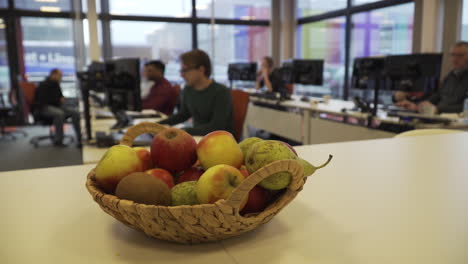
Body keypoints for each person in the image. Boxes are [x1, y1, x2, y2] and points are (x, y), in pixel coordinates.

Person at [159, 49, 234, 136]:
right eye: (181, 71)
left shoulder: (221, 92)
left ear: (201, 69)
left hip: (219, 142)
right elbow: (183, 115)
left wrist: (182, 131)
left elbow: (216, 127)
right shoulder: (188, 89)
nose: (182, 75)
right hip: (198, 139)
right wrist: (158, 125)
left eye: (185, 70)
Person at [396, 41, 468, 114]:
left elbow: (465, 107)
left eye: (460, 55)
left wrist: (438, 109)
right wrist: (417, 106)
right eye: (452, 55)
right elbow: (437, 96)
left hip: (457, 120)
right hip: (440, 116)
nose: (454, 59)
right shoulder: (451, 76)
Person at [34, 69, 81, 147]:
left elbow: (60, 98)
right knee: (59, 114)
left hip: (57, 106)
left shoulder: (56, 84)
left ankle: (80, 138)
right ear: (53, 74)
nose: (61, 77)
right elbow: (43, 100)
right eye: (60, 75)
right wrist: (59, 100)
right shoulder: (43, 85)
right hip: (45, 107)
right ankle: (58, 140)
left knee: (75, 112)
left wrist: (62, 100)